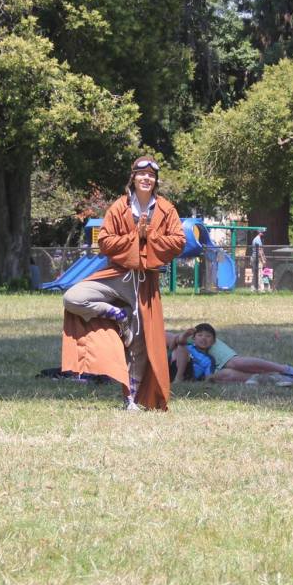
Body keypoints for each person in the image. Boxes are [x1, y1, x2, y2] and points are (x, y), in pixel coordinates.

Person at [62, 156, 186, 410]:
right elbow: (105, 241)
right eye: (142, 174)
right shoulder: (119, 207)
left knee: (140, 342)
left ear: (155, 180)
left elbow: (178, 242)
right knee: (73, 297)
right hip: (116, 275)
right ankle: (119, 315)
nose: (146, 178)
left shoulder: (166, 209)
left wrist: (150, 235)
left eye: (151, 175)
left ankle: (131, 398)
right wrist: (134, 237)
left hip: (145, 282)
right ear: (133, 177)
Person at [170, 323, 293, 385]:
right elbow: (177, 343)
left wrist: (212, 378)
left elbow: (207, 376)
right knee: (181, 347)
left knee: (229, 369)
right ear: (194, 338)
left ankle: (280, 374)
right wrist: (184, 336)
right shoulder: (188, 345)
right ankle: (268, 378)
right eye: (200, 335)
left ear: (214, 340)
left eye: (208, 336)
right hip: (175, 369)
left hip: (191, 374)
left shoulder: (209, 358)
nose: (203, 338)